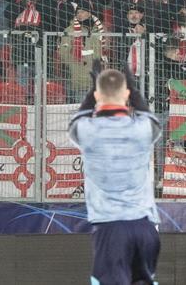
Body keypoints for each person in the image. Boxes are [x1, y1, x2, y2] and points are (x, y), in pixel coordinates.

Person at [69, 69, 162, 285]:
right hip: (145, 225)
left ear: (97, 96)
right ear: (127, 94)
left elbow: (75, 123)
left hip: (110, 227)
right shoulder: (142, 129)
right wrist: (134, 90)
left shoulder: (88, 130)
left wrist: (91, 92)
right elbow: (153, 121)